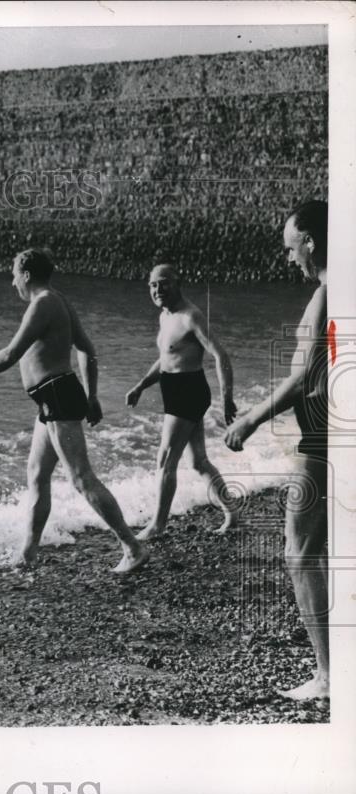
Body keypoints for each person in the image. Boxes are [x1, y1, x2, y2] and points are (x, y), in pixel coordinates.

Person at [0, 249, 149, 574]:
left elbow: (11, 353)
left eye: (14, 275)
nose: (12, 283)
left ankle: (132, 547)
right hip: (53, 400)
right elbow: (86, 348)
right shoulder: (58, 299)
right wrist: (91, 397)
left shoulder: (43, 303)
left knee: (81, 478)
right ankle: (28, 553)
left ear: (27, 275)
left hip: (58, 397)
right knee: (37, 474)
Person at [225, 199, 330, 702]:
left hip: (320, 435)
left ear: (310, 241)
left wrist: (248, 419)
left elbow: (301, 378)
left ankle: (328, 675)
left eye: (292, 248)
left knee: (300, 551)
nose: (290, 260)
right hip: (333, 430)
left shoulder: (326, 294)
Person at [126, 263, 239, 539]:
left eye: (163, 283)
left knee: (164, 458)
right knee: (198, 461)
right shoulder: (165, 316)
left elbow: (220, 355)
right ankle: (232, 509)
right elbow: (167, 357)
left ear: (178, 282)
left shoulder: (191, 317)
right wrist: (141, 385)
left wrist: (227, 400)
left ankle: (157, 525)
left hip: (189, 392)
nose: (157, 289)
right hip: (174, 389)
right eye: (152, 285)